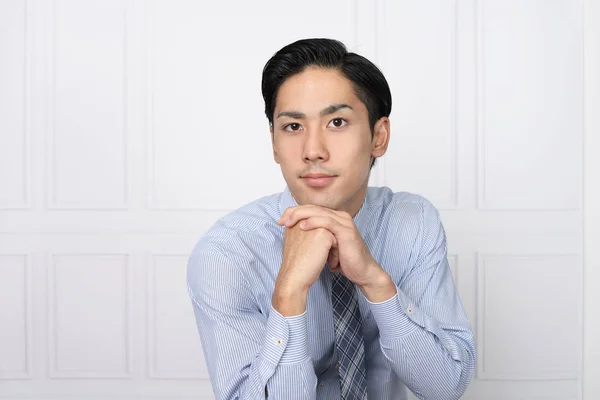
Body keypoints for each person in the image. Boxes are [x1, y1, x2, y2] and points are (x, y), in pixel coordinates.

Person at [187, 38, 475, 400]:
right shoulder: (227, 253)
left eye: (336, 122)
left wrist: (374, 281)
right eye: (293, 126)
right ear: (274, 143)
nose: (312, 151)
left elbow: (445, 386)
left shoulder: (412, 222)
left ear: (379, 136)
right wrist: (288, 294)